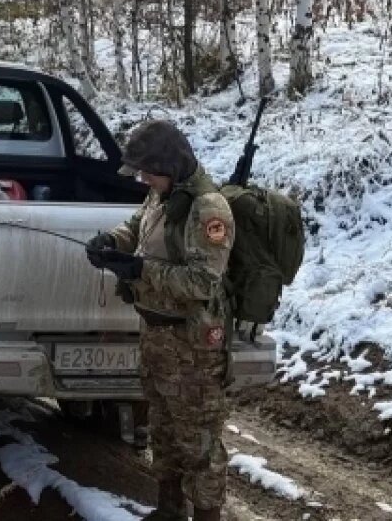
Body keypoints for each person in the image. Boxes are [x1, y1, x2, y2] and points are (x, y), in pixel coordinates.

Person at [86, 120, 234, 521]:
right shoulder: (161, 193)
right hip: (156, 334)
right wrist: (112, 243)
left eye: (146, 170)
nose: (142, 178)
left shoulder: (208, 209)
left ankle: (206, 515)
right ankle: (169, 510)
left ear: (168, 164)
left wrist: (139, 271)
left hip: (192, 345)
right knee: (164, 431)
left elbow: (203, 281)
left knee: (199, 442)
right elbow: (137, 226)